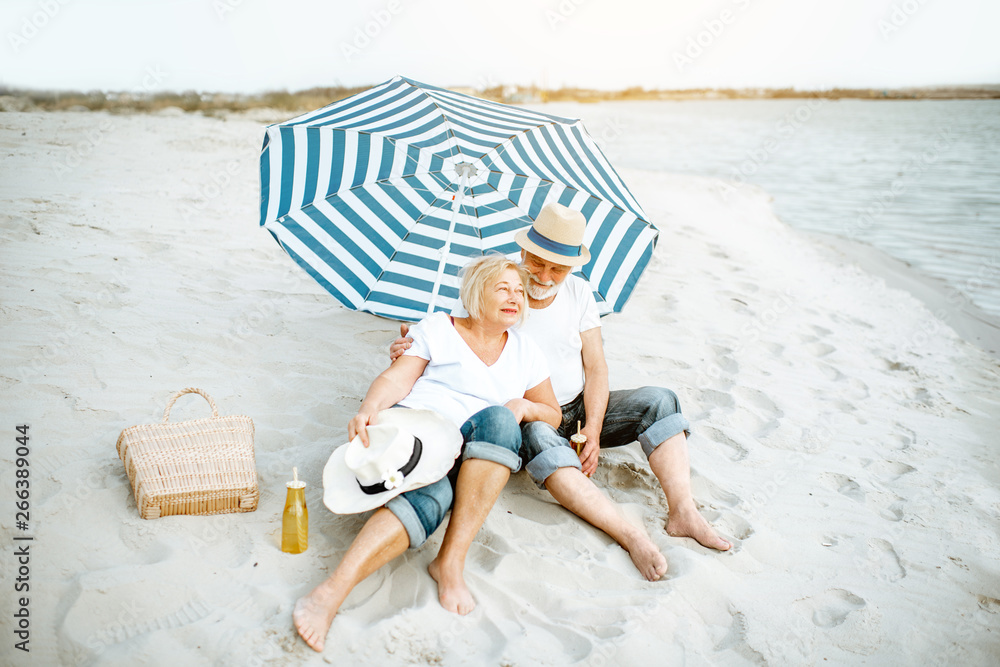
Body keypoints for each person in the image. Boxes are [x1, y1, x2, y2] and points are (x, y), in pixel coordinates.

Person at [391, 202, 732, 559]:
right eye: (538, 263)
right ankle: (627, 533)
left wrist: (595, 431)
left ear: (572, 266)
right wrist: (407, 345)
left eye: (559, 268)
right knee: (540, 433)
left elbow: (596, 367)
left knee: (660, 400)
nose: (545, 276)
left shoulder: (579, 293)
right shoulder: (500, 286)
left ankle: (684, 511)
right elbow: (451, 332)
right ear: (525, 250)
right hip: (524, 416)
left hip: (577, 410)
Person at [294, 255, 563, 653]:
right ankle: (331, 592)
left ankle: (450, 561)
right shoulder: (437, 328)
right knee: (433, 495)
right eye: (503, 289)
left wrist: (522, 406)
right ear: (476, 294)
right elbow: (396, 379)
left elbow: (553, 414)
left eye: (520, 291)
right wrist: (368, 409)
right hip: (419, 438)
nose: (515, 297)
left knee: (503, 421)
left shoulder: (527, 350)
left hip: (476, 447)